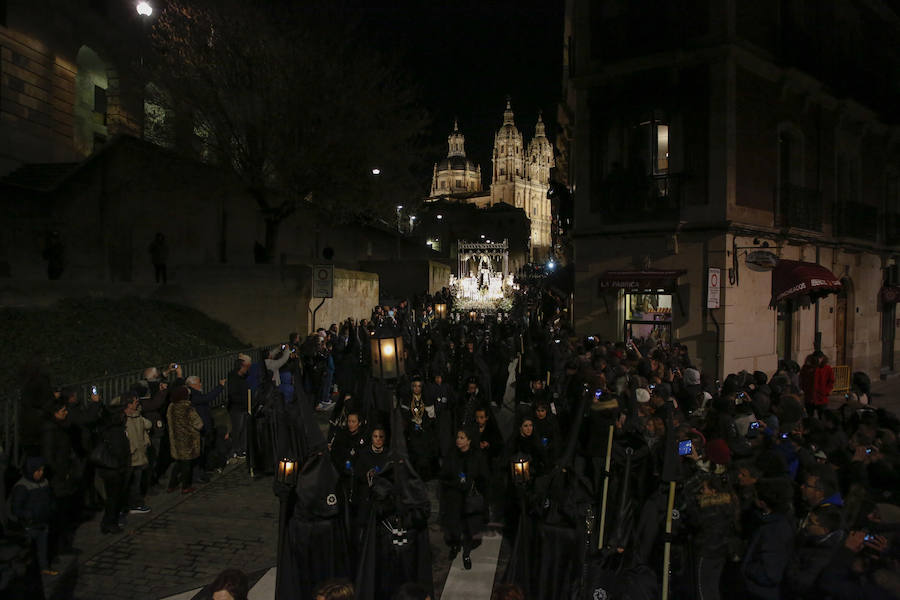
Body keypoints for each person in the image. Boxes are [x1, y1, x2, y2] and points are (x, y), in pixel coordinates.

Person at [440, 428, 489, 570]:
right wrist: (455, 482)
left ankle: (466, 554)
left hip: (470, 498)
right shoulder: (452, 455)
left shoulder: (476, 456)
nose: (458, 440)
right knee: (454, 525)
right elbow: (444, 475)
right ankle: (454, 546)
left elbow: (484, 477)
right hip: (454, 496)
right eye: (458, 437)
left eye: (462, 438)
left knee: (469, 528)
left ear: (469, 440)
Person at [11, 456, 57, 575]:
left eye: (42, 470)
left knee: (43, 548)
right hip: (30, 525)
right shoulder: (22, 486)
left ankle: (44, 567)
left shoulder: (45, 483)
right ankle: (23, 572)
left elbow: (50, 499)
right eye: (38, 470)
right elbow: (16, 508)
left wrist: (51, 509)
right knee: (27, 551)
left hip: (43, 522)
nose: (41, 473)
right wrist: (28, 515)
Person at [166, 385, 203, 494]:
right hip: (188, 439)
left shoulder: (171, 407)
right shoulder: (188, 407)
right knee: (187, 464)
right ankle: (185, 486)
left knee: (178, 463)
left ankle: (171, 485)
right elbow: (198, 424)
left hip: (176, 439)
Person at [123, 393, 152, 514]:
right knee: (132, 482)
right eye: (135, 402)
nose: (138, 404)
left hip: (139, 453)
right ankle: (134, 504)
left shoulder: (137, 416)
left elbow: (148, 424)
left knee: (136, 481)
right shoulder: (124, 419)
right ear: (129, 404)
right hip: (131, 455)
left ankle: (134, 503)